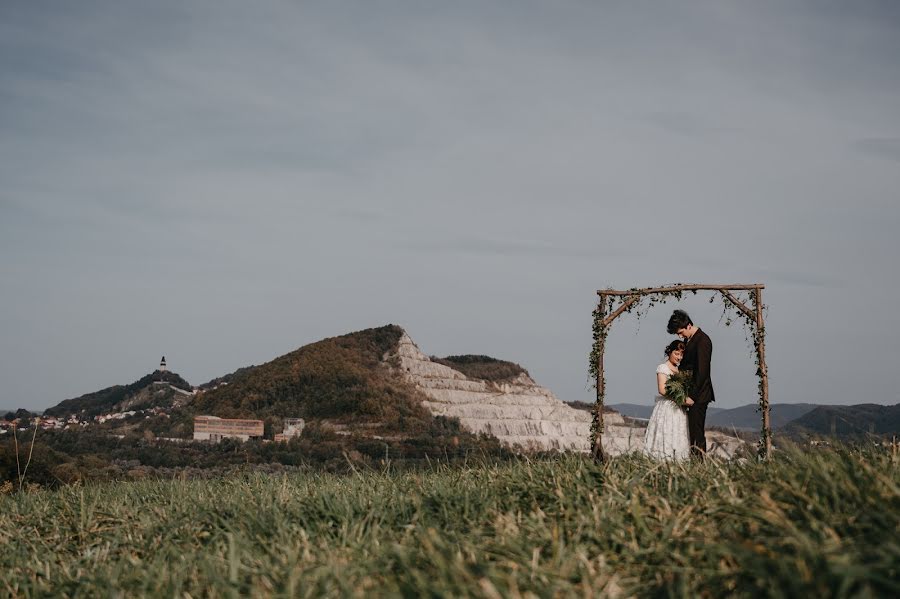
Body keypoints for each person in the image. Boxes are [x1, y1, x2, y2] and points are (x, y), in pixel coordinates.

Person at [667, 309, 715, 458]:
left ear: (688, 325)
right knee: (689, 433)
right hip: (690, 394)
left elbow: (702, 372)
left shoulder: (703, 341)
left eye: (680, 332)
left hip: (699, 396)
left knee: (696, 434)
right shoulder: (690, 340)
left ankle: (699, 466)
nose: (679, 336)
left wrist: (692, 397)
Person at [643, 340, 690, 460]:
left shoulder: (680, 371)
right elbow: (662, 390)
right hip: (667, 408)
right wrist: (682, 399)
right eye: (676, 353)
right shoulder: (663, 368)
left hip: (679, 409)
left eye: (681, 354)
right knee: (666, 434)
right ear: (670, 352)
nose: (679, 357)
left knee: (678, 435)